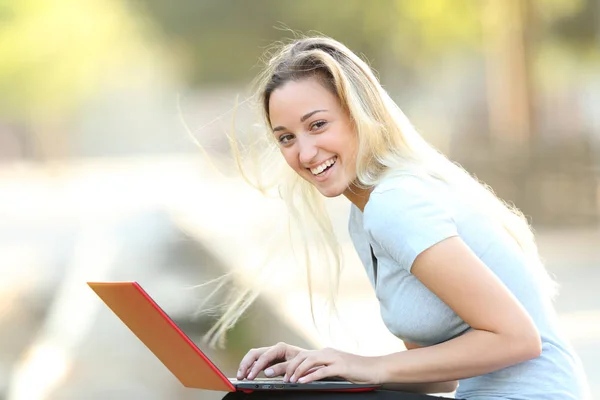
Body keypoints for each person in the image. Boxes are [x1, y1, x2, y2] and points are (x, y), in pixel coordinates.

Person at [210, 36, 590, 399]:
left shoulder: (394, 204)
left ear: (361, 115)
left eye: (318, 125)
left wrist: (369, 365)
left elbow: (518, 339)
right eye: (286, 138)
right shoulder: (364, 218)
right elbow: (439, 379)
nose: (305, 153)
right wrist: (326, 369)